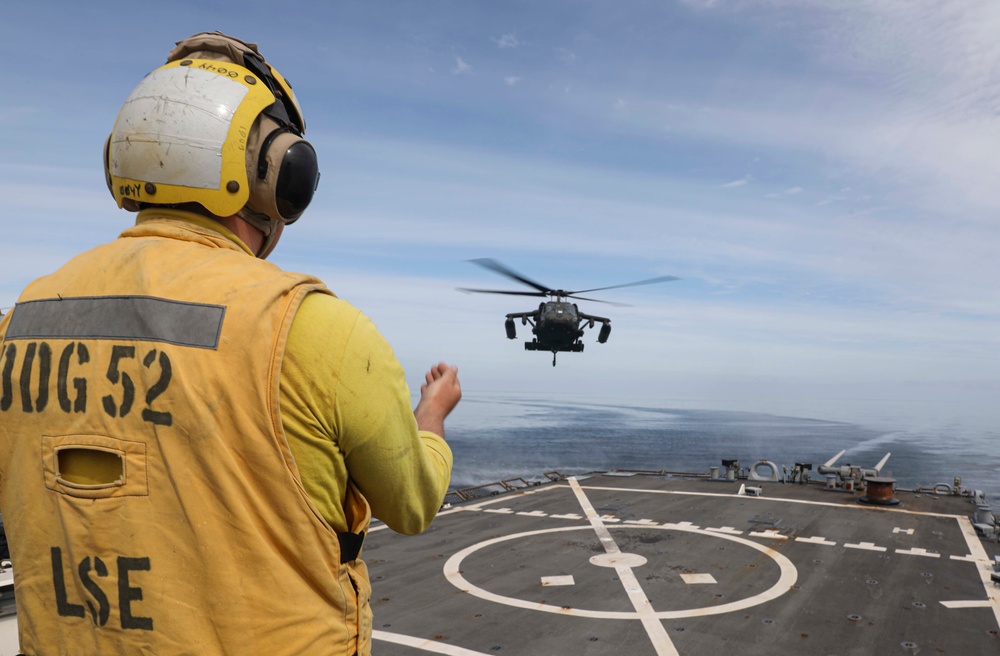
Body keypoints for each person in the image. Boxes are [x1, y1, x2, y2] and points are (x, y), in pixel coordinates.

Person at [0, 31, 461, 655]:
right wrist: (430, 415)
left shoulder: (19, 323)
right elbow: (412, 504)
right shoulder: (315, 327)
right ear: (278, 175)